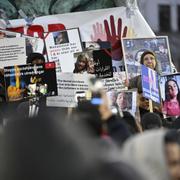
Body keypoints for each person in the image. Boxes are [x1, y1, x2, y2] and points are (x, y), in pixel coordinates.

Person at [126, 50, 161, 117]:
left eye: (152, 58)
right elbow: (129, 93)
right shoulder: (136, 80)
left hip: (161, 115)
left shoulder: (162, 78)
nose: (149, 61)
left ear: (155, 61)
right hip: (144, 115)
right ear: (142, 63)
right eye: (146, 59)